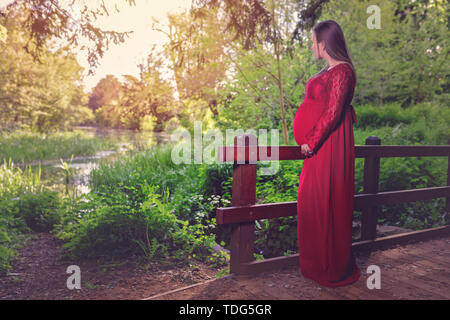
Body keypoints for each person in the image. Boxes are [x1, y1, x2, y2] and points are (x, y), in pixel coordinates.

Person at [292, 20, 360, 288]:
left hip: (329, 144)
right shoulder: (330, 70)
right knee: (311, 201)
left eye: (313, 41)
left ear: (324, 43)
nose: (312, 46)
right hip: (321, 145)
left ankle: (331, 266)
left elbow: (333, 113)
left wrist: (311, 140)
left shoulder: (342, 72)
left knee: (326, 201)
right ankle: (315, 264)